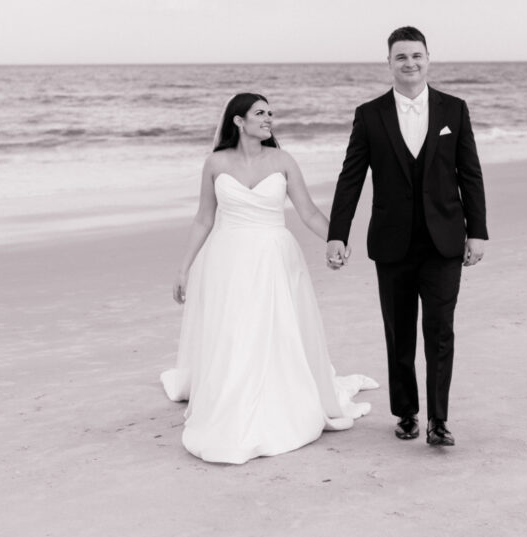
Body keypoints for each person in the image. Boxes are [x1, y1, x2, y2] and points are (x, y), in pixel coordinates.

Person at [160, 92, 377, 465]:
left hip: (275, 257)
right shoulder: (215, 163)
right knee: (234, 331)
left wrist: (335, 240)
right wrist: (184, 267)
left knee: (275, 328)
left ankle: (280, 397)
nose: (268, 119)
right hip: (227, 258)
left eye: (270, 113)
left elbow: (308, 212)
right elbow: (204, 219)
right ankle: (233, 400)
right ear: (238, 121)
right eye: (260, 113)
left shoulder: (283, 160)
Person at [326, 26, 488, 447]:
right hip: (392, 243)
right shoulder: (369, 114)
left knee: (440, 331)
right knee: (399, 332)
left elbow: (469, 174)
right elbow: (351, 178)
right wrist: (336, 234)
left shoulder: (455, 110)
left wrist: (479, 232)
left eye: (416, 56)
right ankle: (407, 414)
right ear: (389, 63)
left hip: (445, 242)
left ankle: (438, 421)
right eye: (401, 57)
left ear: (428, 59)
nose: (410, 63)